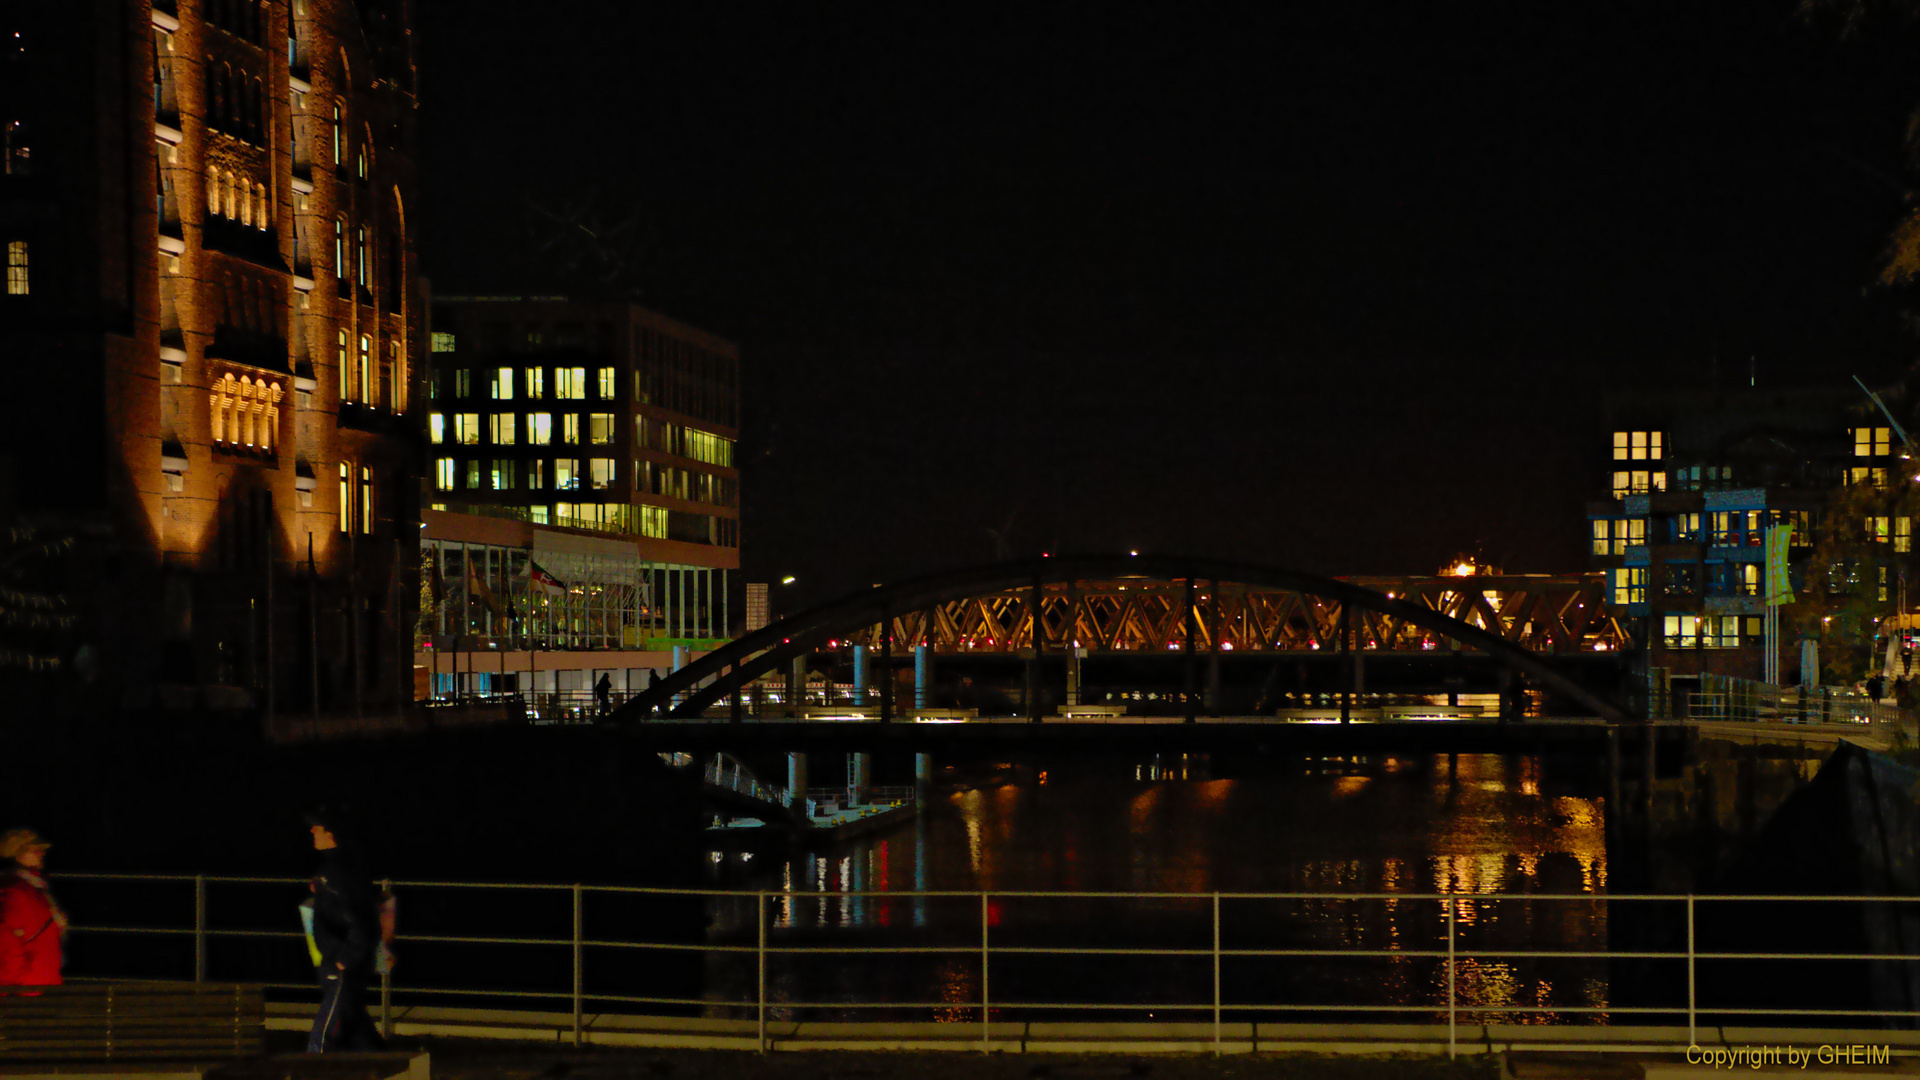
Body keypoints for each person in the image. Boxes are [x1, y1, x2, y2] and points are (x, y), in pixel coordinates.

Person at [303, 809, 385, 1051]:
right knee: (355, 1023)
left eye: (317, 828)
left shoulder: (340, 870)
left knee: (328, 1024)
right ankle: (385, 1064)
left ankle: (312, 1062)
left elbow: (359, 916)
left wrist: (345, 958)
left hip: (341, 959)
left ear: (331, 834)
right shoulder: (336, 866)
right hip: (336, 955)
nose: (312, 832)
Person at [0, 827, 67, 992]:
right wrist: (14, 981)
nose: (41, 853)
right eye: (35, 850)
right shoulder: (16, 891)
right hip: (28, 985)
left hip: (38, 979)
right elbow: (7, 937)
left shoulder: (31, 887)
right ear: (18, 854)